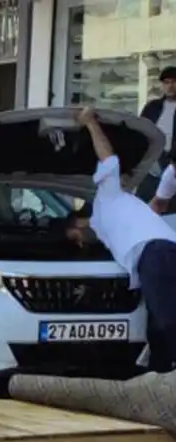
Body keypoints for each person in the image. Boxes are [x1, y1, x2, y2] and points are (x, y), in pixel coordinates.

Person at [70, 106, 176, 372]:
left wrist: (90, 123)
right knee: (157, 323)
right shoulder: (105, 229)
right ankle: (157, 375)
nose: (79, 241)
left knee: (165, 322)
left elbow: (109, 161)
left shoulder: (109, 197)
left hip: (157, 253)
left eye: (75, 235)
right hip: (159, 253)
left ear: (80, 221)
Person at [139, 67, 176, 195]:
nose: (170, 86)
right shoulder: (152, 107)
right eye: (166, 82)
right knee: (143, 199)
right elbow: (141, 131)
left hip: (172, 161)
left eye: (173, 82)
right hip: (153, 158)